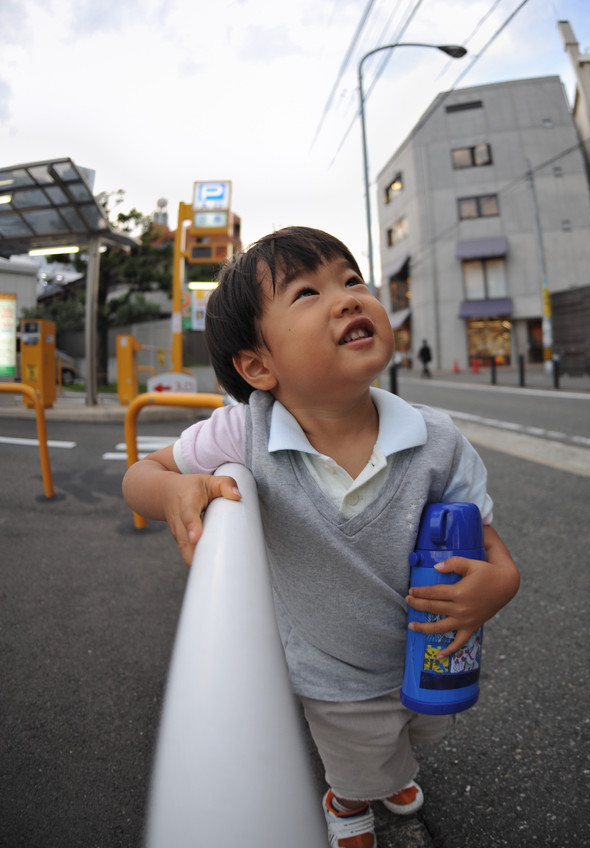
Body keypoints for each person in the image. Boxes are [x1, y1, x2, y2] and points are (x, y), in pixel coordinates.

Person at [122, 226, 520, 848]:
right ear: (258, 366)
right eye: (308, 293)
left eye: (352, 279)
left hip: (428, 652)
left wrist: (503, 582)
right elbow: (140, 474)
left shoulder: (435, 439)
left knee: (420, 734)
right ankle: (347, 798)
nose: (347, 298)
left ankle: (385, 776)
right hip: (331, 670)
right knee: (359, 754)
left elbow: (484, 539)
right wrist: (175, 491)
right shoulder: (243, 433)